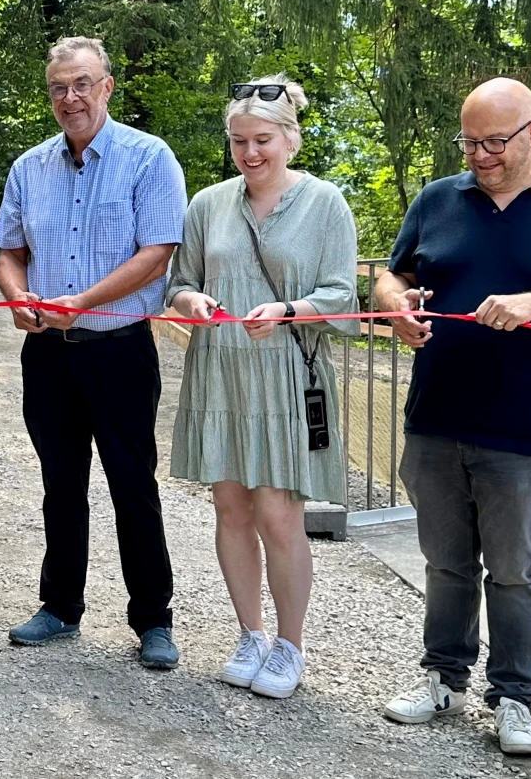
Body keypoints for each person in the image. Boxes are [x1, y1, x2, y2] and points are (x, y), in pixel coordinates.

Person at [377, 78, 531, 754]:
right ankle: (442, 676)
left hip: (521, 427)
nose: (480, 155)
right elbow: (389, 276)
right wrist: (398, 308)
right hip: (433, 417)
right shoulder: (437, 199)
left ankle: (515, 697)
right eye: (470, 141)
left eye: (494, 142)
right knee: (446, 563)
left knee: (514, 571)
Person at [0, 36, 187, 667]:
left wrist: (81, 301)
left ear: (106, 87)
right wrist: (19, 296)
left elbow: (156, 254)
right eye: (58, 87)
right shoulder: (29, 167)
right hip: (49, 354)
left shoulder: (149, 158)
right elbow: (10, 251)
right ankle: (59, 606)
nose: (69, 98)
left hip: (121, 349)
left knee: (133, 483)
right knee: (60, 483)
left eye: (81, 84)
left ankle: (152, 618)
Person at [166, 75, 358, 697]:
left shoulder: (326, 203)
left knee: (279, 513)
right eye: (240, 141)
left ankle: (290, 645)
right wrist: (191, 298)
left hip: (285, 372)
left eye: (263, 140)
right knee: (231, 507)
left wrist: (289, 311)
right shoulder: (208, 204)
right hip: (220, 367)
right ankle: (249, 633)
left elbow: (344, 300)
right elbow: (177, 283)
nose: (251, 153)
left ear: (290, 140)